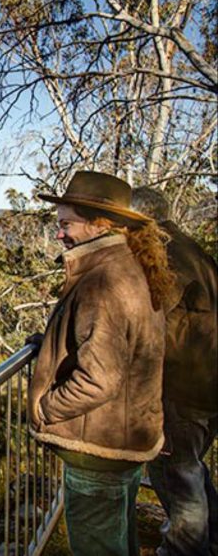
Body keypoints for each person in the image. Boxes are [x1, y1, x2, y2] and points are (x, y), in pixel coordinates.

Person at [28, 171, 172, 556]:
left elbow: (99, 379)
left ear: (98, 224)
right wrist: (51, 347)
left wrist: (45, 409)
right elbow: (115, 345)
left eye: (66, 224)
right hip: (125, 442)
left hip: (97, 451)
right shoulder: (131, 268)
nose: (59, 233)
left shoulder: (103, 280)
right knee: (118, 541)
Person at [131, 187, 218, 556]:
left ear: (139, 219)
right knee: (191, 472)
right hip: (206, 384)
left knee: (177, 478)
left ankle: (185, 550)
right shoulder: (192, 249)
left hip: (184, 388)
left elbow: (152, 323)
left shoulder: (163, 256)